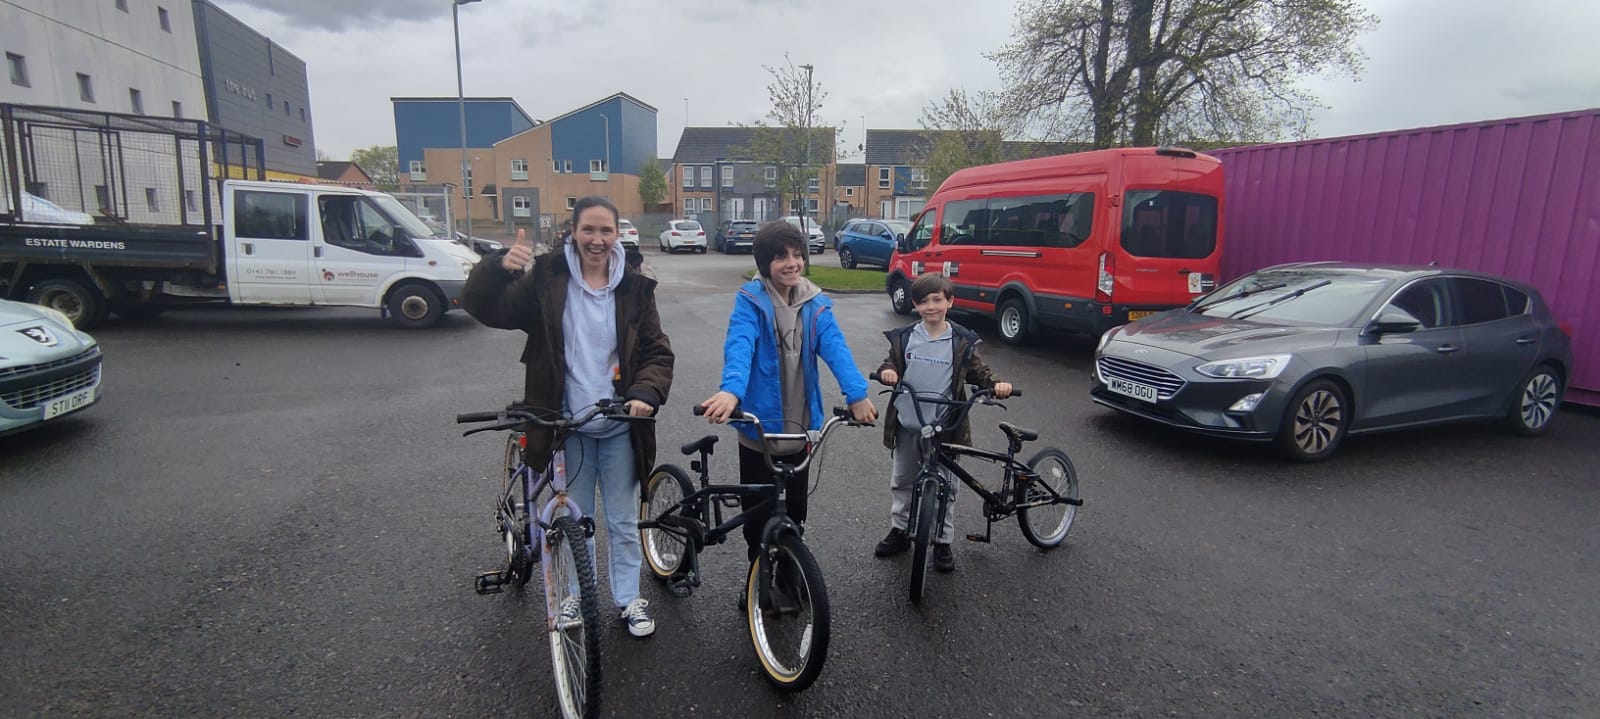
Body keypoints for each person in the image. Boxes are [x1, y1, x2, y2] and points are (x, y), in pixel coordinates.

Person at [462, 196, 674, 638]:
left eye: (606, 231)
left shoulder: (635, 288)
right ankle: (573, 595)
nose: (597, 240)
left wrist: (644, 393)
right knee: (573, 523)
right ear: (573, 232)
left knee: (621, 521)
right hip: (565, 426)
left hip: (619, 423)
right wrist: (498, 265)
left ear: (617, 235)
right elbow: (486, 307)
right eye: (589, 230)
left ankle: (629, 598)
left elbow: (657, 352)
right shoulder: (546, 279)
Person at [699, 221, 878, 569]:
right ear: (765, 263)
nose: (792, 263)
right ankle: (757, 575)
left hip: (800, 428)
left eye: (797, 255)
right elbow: (740, 345)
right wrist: (731, 392)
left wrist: (856, 394)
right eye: (781, 257)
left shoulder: (816, 303)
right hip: (759, 431)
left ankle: (791, 571)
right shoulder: (750, 301)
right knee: (758, 515)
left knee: (795, 512)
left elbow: (836, 348)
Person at [872, 272, 1011, 573]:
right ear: (915, 305)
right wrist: (888, 372)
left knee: (947, 487)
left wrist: (997, 383)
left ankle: (942, 540)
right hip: (910, 422)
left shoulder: (960, 341)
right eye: (923, 302)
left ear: (950, 302)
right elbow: (891, 362)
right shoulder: (906, 337)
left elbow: (979, 371)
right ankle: (899, 530)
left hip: (945, 426)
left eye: (937, 300)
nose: (931, 307)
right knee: (902, 480)